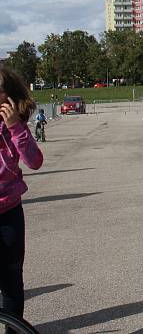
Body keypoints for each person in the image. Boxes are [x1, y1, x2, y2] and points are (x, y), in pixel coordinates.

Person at [0, 66, 44, 329]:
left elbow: (34, 162)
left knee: (12, 284)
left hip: (9, 213)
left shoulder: (17, 126)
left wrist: (15, 127)